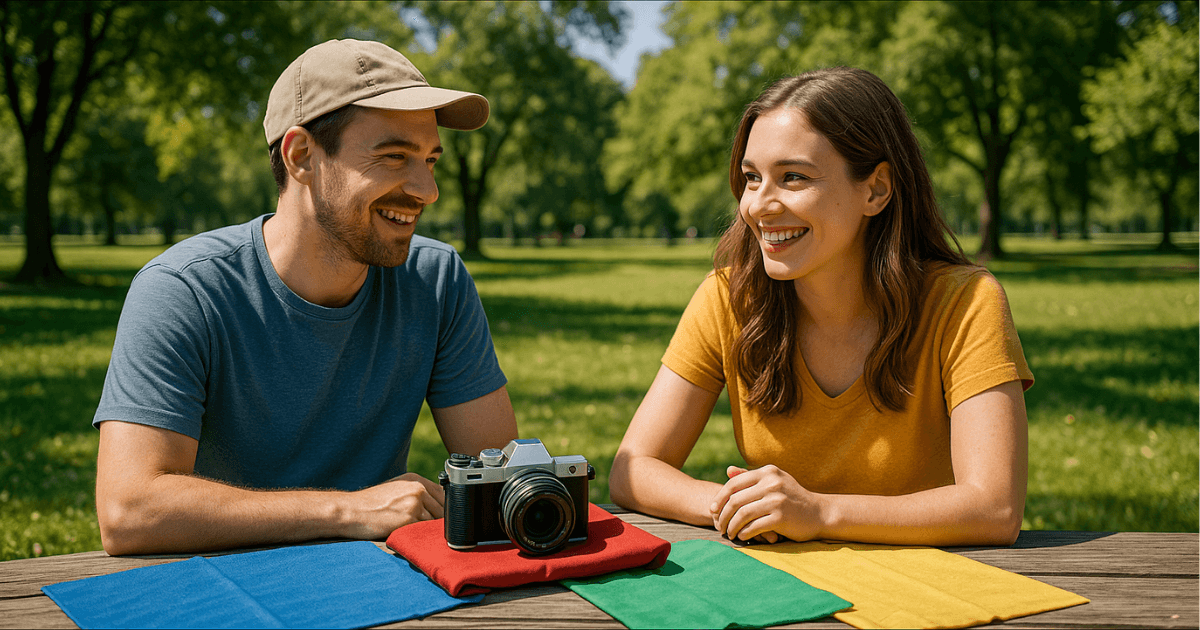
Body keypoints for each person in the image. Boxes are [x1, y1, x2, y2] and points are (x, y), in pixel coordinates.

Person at [93, 39, 518, 555]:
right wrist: (347, 509)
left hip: (380, 582)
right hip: (218, 582)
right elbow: (129, 512)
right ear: (301, 156)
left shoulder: (436, 279)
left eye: (430, 160)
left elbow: (500, 474)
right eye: (393, 157)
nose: (427, 190)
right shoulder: (182, 290)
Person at [610, 67, 1032, 547]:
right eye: (752, 178)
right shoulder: (728, 298)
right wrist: (742, 506)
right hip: (783, 593)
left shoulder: (965, 303)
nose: (759, 206)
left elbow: (994, 507)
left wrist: (818, 511)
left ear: (875, 190)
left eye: (793, 177)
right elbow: (633, 468)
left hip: (930, 593)